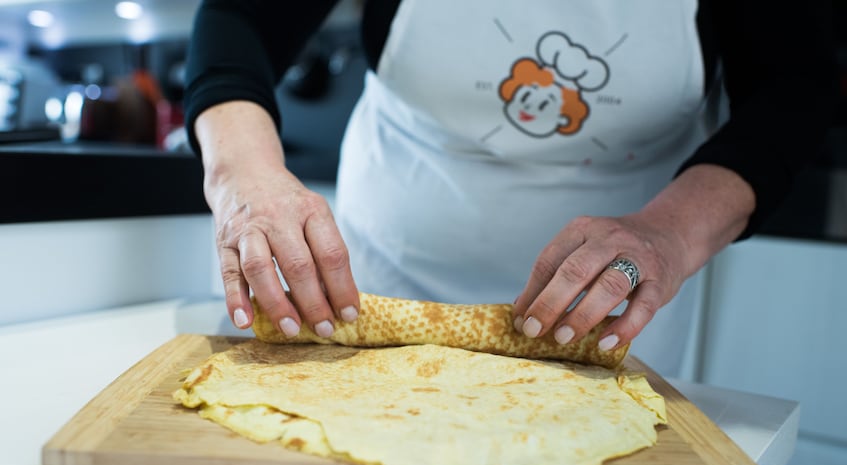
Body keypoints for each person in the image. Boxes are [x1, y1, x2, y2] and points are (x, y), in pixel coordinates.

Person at [183, 0, 836, 377]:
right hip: (378, 265)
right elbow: (239, 16)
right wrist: (242, 174)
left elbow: (795, 88)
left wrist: (669, 231)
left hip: (609, 295)